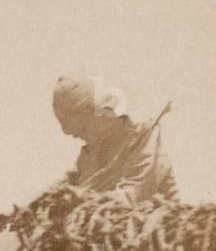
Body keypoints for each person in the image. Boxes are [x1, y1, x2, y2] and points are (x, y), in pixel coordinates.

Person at [51, 75, 176, 203]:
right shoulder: (87, 158)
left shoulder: (145, 140)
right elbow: (64, 189)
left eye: (80, 127)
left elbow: (132, 197)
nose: (73, 135)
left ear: (97, 114)